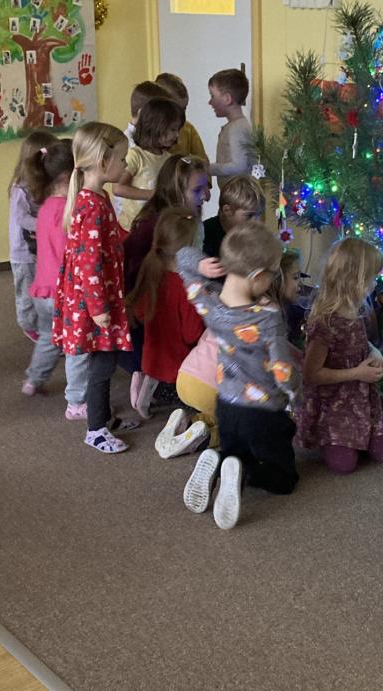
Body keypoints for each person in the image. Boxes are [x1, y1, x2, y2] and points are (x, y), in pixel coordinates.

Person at [175, 222, 298, 530]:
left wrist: (201, 264)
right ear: (257, 277)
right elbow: (283, 371)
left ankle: (222, 463)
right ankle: (247, 473)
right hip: (263, 411)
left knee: (235, 451)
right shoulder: (268, 320)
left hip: (226, 404)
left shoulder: (209, 300)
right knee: (285, 478)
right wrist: (294, 391)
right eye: (273, 274)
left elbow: (182, 257)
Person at [52, 122, 141, 448]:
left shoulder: (97, 197)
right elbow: (88, 264)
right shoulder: (91, 206)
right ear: (103, 162)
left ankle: (103, 417)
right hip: (94, 302)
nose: (125, 165)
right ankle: (95, 430)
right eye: (122, 159)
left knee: (106, 360)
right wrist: (99, 308)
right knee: (103, 364)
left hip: (98, 296)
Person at [121, 154, 210, 416]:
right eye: (197, 190)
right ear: (175, 190)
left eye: (206, 187)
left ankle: (146, 377)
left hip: (165, 307)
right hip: (157, 316)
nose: (206, 195)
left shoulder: (189, 223)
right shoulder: (153, 227)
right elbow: (128, 271)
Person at [297, 239, 383, 474]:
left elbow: (361, 341)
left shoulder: (357, 309)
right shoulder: (326, 323)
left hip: (362, 397)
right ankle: (327, 437)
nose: (375, 283)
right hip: (336, 403)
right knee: (344, 465)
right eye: (371, 278)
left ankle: (360, 436)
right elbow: (311, 374)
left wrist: (374, 351)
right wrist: (357, 373)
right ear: (354, 280)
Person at [127, 208, 209, 458]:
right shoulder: (186, 286)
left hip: (152, 359)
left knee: (157, 376)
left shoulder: (152, 269)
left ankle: (144, 387)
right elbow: (192, 334)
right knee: (198, 406)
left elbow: (140, 312)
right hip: (177, 372)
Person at [23, 139, 74, 398]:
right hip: (61, 291)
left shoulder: (45, 207)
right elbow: (70, 253)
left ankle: (34, 379)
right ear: (67, 177)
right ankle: (79, 393)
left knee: (49, 336)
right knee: (71, 340)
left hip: (42, 288)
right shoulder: (67, 211)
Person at [9, 129, 57, 341]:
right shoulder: (20, 189)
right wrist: (47, 224)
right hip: (24, 253)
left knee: (43, 287)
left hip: (41, 249)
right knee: (26, 291)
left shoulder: (46, 185)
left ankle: (46, 323)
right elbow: (21, 218)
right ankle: (29, 324)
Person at [114, 97, 185, 231]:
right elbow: (118, 188)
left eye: (178, 130)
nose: (176, 135)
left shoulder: (168, 159)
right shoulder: (136, 155)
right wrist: (152, 195)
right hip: (131, 228)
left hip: (157, 227)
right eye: (172, 129)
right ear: (155, 126)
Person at [205, 68, 254, 186]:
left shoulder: (237, 128)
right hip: (234, 193)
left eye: (212, 96)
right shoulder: (236, 125)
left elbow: (240, 166)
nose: (210, 102)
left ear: (227, 99)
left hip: (239, 194)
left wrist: (208, 168)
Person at [202, 174, 266, 257]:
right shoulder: (204, 235)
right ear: (227, 211)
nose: (256, 221)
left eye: (259, 214)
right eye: (249, 216)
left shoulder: (256, 237)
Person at [154, 72, 209, 162]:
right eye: (175, 109)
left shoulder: (188, 129)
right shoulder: (146, 132)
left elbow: (203, 161)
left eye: (184, 108)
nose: (181, 115)